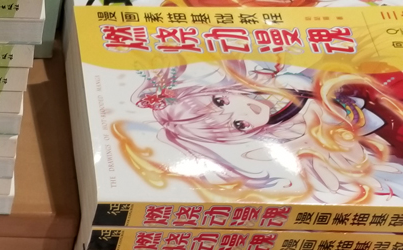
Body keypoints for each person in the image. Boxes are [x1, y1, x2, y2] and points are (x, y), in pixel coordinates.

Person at [121, 61, 403, 204]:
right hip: (377, 140)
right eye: (238, 125)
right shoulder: (285, 137)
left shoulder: (280, 80)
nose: (246, 113)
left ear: (221, 90)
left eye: (221, 101)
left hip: (372, 96)